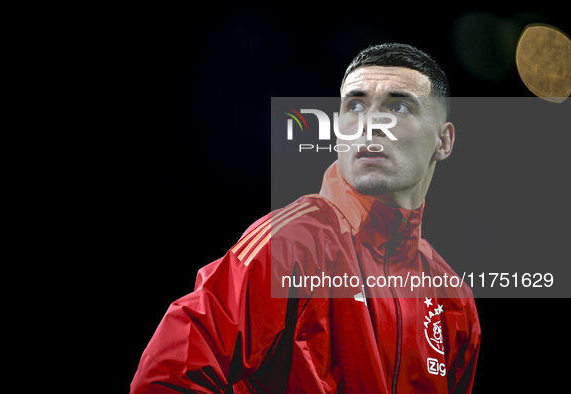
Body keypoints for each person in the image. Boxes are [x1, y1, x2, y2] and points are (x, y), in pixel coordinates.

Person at [130, 43, 481, 394]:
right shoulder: (291, 243)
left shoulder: (453, 299)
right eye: (355, 105)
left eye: (399, 106)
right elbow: (164, 378)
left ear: (443, 141)